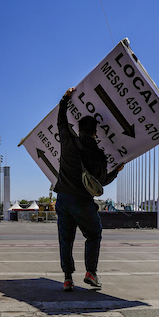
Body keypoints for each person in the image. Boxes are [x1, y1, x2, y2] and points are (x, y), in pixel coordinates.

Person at [54, 87, 124, 291]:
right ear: (95, 132)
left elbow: (60, 119)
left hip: (63, 200)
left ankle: (67, 278)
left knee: (65, 240)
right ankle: (91, 273)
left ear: (78, 128)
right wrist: (117, 171)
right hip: (83, 202)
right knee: (93, 234)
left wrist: (65, 98)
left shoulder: (67, 141)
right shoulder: (99, 155)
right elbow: (102, 182)